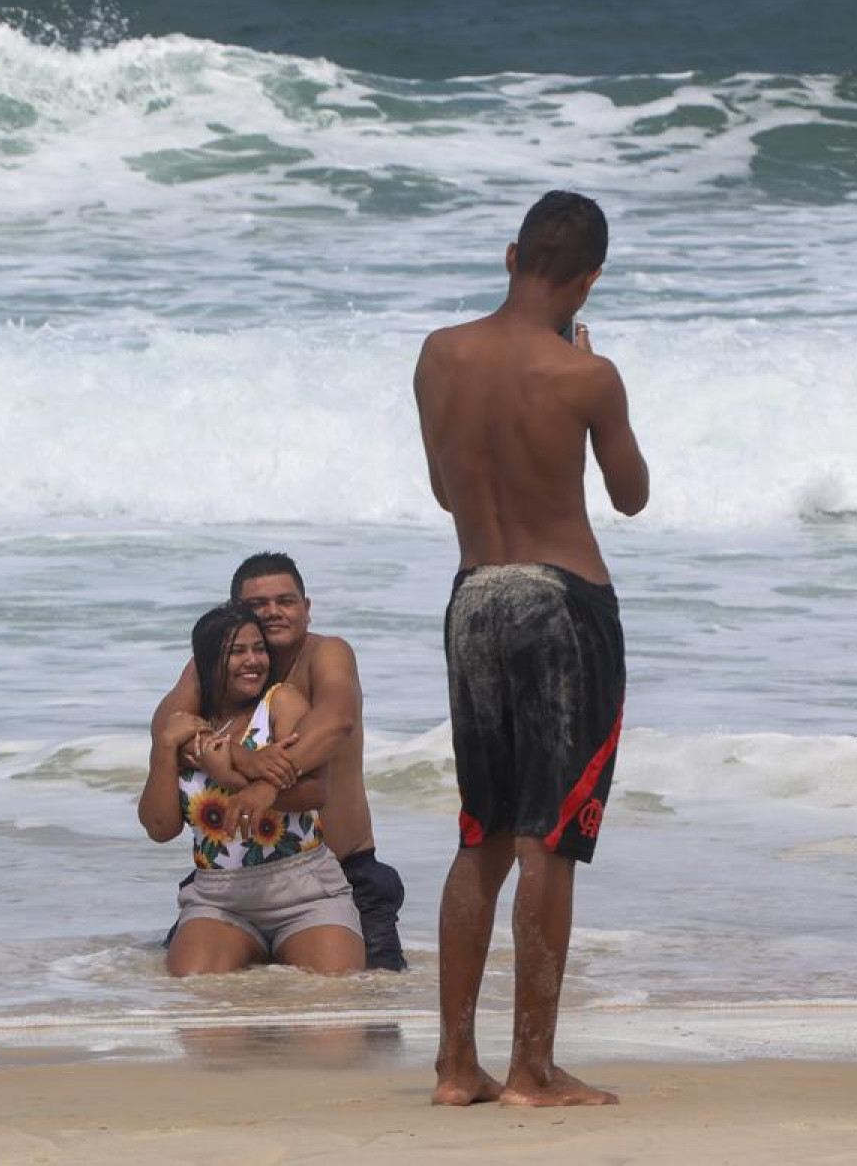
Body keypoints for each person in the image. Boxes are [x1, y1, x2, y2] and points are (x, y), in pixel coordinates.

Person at [412, 190, 649, 1108]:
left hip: (473, 596)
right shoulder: (587, 376)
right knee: (550, 839)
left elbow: (445, 491)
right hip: (562, 605)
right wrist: (590, 374)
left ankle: (453, 1065)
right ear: (589, 280)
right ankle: (533, 1071)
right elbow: (629, 495)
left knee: (483, 832)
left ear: (511, 255)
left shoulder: (439, 356)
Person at [149, 554, 408, 972]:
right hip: (234, 882)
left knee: (370, 1012)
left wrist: (267, 786)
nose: (272, 612)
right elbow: (166, 731)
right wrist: (240, 757)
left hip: (337, 872)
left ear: (306, 608)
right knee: (196, 996)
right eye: (257, 605)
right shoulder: (212, 666)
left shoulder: (327, 653)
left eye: (285, 601)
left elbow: (336, 722)